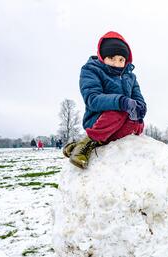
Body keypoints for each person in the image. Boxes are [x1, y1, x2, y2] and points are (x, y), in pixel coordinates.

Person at [63, 31, 147, 169]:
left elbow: (138, 97)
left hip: (122, 120)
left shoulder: (130, 77)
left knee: (137, 124)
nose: (117, 63)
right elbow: (92, 98)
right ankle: (84, 146)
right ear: (102, 57)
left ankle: (82, 144)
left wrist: (140, 109)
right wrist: (122, 102)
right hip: (99, 119)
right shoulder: (91, 70)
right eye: (112, 58)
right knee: (118, 112)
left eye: (121, 60)